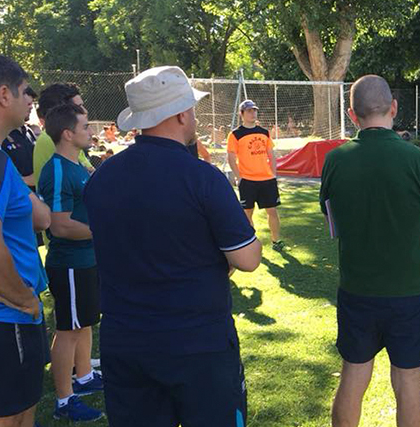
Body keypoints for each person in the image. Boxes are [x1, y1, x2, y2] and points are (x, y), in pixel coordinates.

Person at [84, 66, 262, 427]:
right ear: (181, 114)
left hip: (126, 341)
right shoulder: (202, 177)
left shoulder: (103, 176)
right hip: (197, 342)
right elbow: (247, 258)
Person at [321, 75, 420, 427]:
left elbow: (334, 226)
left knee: (353, 375)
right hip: (410, 292)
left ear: (352, 114)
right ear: (393, 107)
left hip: (357, 291)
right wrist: (405, 262)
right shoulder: (417, 160)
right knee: (409, 384)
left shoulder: (335, 160)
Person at [0, 52, 51, 427]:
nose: (30, 99)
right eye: (24, 90)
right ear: (3, 95)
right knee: (8, 418)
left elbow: (39, 217)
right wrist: (23, 298)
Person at [37, 103, 104, 421]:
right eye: (85, 126)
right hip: (70, 264)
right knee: (68, 329)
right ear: (67, 133)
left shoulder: (76, 165)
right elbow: (60, 225)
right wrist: (104, 231)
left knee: (84, 323)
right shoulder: (58, 169)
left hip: (85, 260)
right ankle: (64, 400)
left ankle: (85, 376)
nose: (90, 131)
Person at [227, 99, 285, 251]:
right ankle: (250, 242)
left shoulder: (264, 132)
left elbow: (271, 154)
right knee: (247, 213)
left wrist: (273, 174)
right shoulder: (235, 134)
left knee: (272, 211)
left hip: (267, 179)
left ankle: (276, 241)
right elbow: (231, 157)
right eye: (249, 111)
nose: (253, 113)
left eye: (254, 110)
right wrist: (239, 177)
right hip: (247, 180)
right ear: (242, 114)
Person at [32, 83, 94, 188]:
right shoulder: (53, 138)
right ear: (64, 110)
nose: (85, 111)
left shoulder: (67, 138)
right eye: (79, 107)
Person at [2, 86, 38, 189]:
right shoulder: (1, 134)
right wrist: (25, 180)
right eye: (28, 104)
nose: (31, 107)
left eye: (32, 104)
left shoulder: (28, 132)